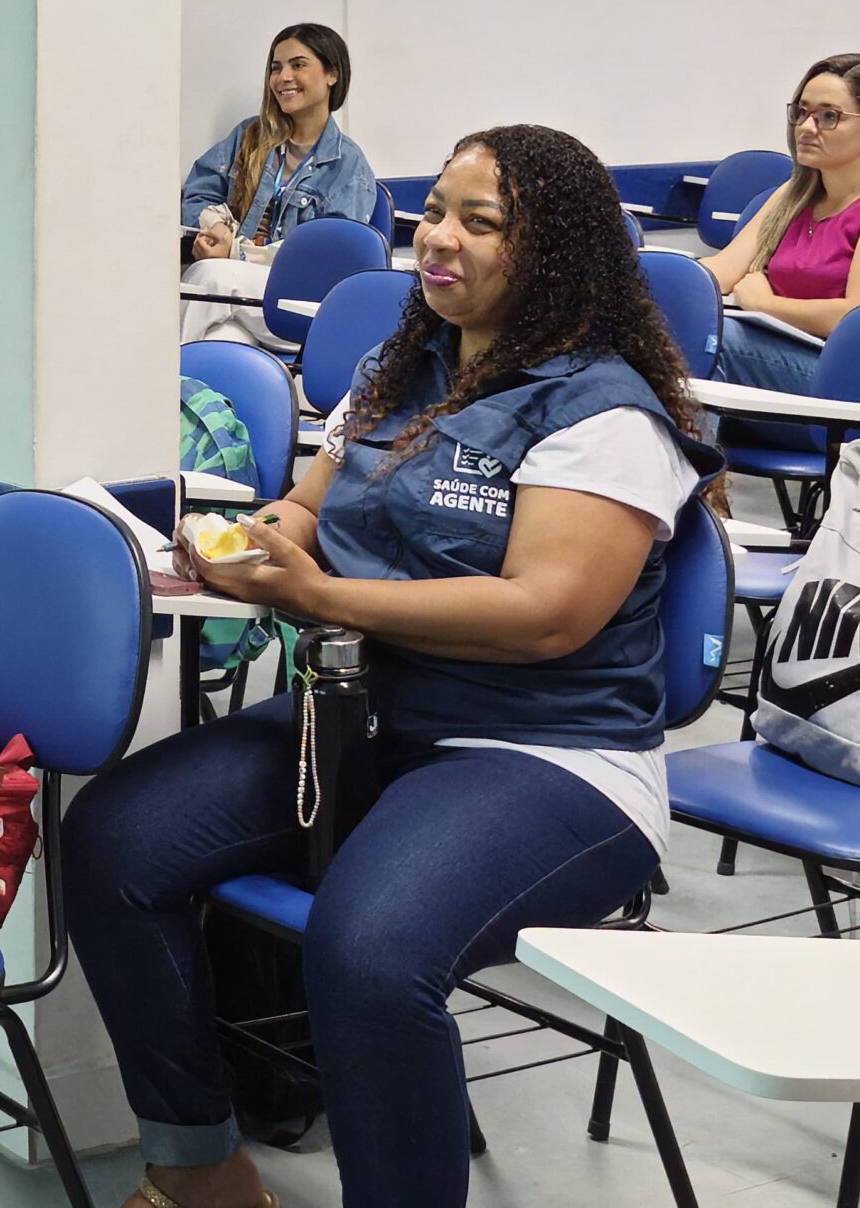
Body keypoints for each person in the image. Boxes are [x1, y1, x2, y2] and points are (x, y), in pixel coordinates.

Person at [66, 124, 718, 1208]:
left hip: (549, 756)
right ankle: (201, 1176)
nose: (437, 241)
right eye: (434, 215)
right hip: (374, 725)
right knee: (114, 839)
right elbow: (310, 513)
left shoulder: (603, 411)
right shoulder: (397, 367)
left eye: (481, 222)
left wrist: (317, 597)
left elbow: (545, 617)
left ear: (556, 253)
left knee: (367, 954)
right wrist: (256, 544)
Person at [702, 53, 860, 449]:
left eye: (828, 116)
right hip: (796, 366)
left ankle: (688, 492)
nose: (807, 127)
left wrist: (764, 304)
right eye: (801, 112)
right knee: (658, 332)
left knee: (715, 342)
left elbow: (858, 316)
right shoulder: (793, 195)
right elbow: (720, 270)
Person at [179, 25, 379, 347]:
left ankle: (163, 393)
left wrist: (235, 253)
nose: (283, 77)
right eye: (276, 67)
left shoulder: (349, 166)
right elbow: (200, 190)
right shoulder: (250, 138)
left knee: (208, 278)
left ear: (332, 74)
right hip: (247, 298)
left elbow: (328, 262)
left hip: (304, 306)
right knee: (223, 339)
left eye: (298, 65)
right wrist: (213, 225)